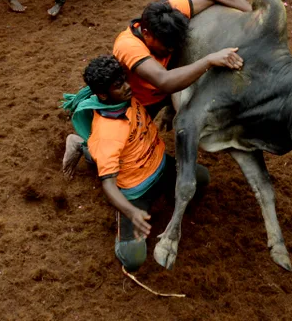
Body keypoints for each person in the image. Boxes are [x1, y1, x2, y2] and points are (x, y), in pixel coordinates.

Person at [59, 55, 212, 271]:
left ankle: (88, 149)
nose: (127, 87)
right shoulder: (108, 133)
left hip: (159, 164)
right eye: (118, 85)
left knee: (202, 178)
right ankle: (81, 146)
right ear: (103, 94)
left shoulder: (129, 95)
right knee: (134, 259)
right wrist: (131, 212)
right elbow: (109, 186)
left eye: (124, 80)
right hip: (135, 189)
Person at [110, 0, 249, 119]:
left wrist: (256, 16)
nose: (171, 49)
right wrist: (209, 60)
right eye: (166, 44)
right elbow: (164, 81)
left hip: (173, 84)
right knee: (139, 136)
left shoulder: (169, 15)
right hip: (143, 101)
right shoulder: (128, 46)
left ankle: (171, 109)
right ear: (146, 34)